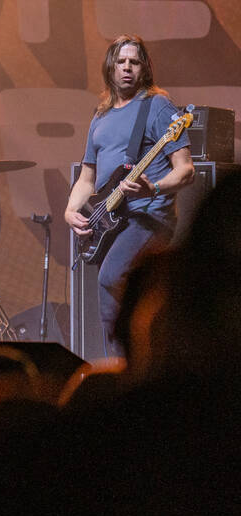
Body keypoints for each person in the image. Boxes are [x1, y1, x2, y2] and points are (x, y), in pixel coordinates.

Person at [64, 35, 193, 358]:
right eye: (121, 62)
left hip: (149, 215)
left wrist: (155, 188)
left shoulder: (157, 106)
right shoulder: (101, 115)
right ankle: (123, 361)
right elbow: (87, 177)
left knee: (111, 277)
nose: (127, 68)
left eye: (134, 62)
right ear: (110, 67)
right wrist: (70, 210)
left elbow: (186, 170)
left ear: (144, 68)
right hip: (111, 217)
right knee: (111, 291)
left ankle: (137, 360)